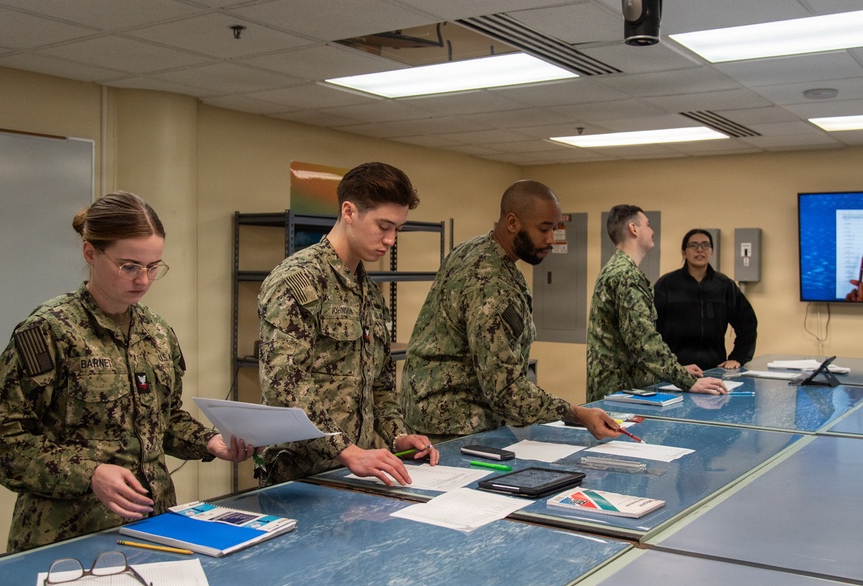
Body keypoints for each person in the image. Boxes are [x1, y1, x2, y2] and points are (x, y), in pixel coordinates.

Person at [0, 192, 256, 553]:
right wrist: (89, 473)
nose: (144, 279)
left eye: (154, 266)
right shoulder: (50, 331)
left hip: (154, 527)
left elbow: (163, 420)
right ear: (90, 253)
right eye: (129, 266)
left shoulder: (156, 331)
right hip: (68, 537)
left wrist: (210, 442)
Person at [257, 162, 437, 487]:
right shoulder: (298, 281)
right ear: (349, 211)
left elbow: (378, 384)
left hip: (355, 473)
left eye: (397, 229)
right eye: (383, 226)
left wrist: (398, 437)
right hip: (299, 477)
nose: (391, 239)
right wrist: (346, 450)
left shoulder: (369, 293)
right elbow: (283, 384)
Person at [400, 180, 621, 442]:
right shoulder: (491, 283)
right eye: (544, 229)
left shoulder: (476, 250)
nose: (551, 239)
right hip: (454, 427)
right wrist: (577, 414)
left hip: (437, 416)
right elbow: (506, 391)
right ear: (513, 223)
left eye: (555, 228)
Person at [587, 205, 729, 402]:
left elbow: (633, 347)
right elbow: (643, 341)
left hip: (622, 387)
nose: (652, 230)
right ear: (634, 229)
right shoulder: (626, 275)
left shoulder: (616, 269)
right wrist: (686, 380)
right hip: (620, 392)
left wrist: (675, 371)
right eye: (648, 224)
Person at [654, 229, 758, 371]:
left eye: (705, 245)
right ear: (684, 252)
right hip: (676, 370)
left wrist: (738, 357)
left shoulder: (725, 285)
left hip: (714, 370)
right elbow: (650, 327)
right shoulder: (667, 284)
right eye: (693, 245)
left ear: (711, 252)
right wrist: (663, 364)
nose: (700, 250)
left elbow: (748, 324)